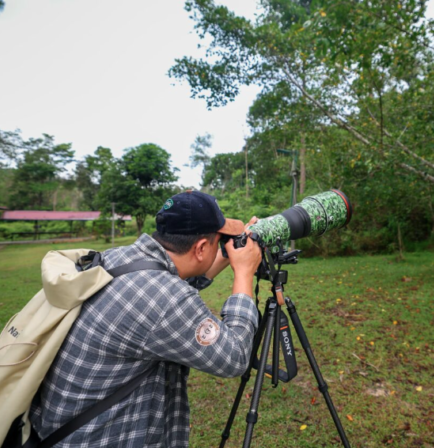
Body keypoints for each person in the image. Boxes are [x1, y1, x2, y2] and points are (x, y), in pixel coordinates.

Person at [29, 191, 262, 447]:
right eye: (219, 241)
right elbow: (235, 357)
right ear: (201, 248)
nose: (220, 246)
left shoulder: (117, 258)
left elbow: (178, 278)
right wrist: (244, 271)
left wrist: (231, 253)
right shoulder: (167, 300)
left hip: (57, 429)